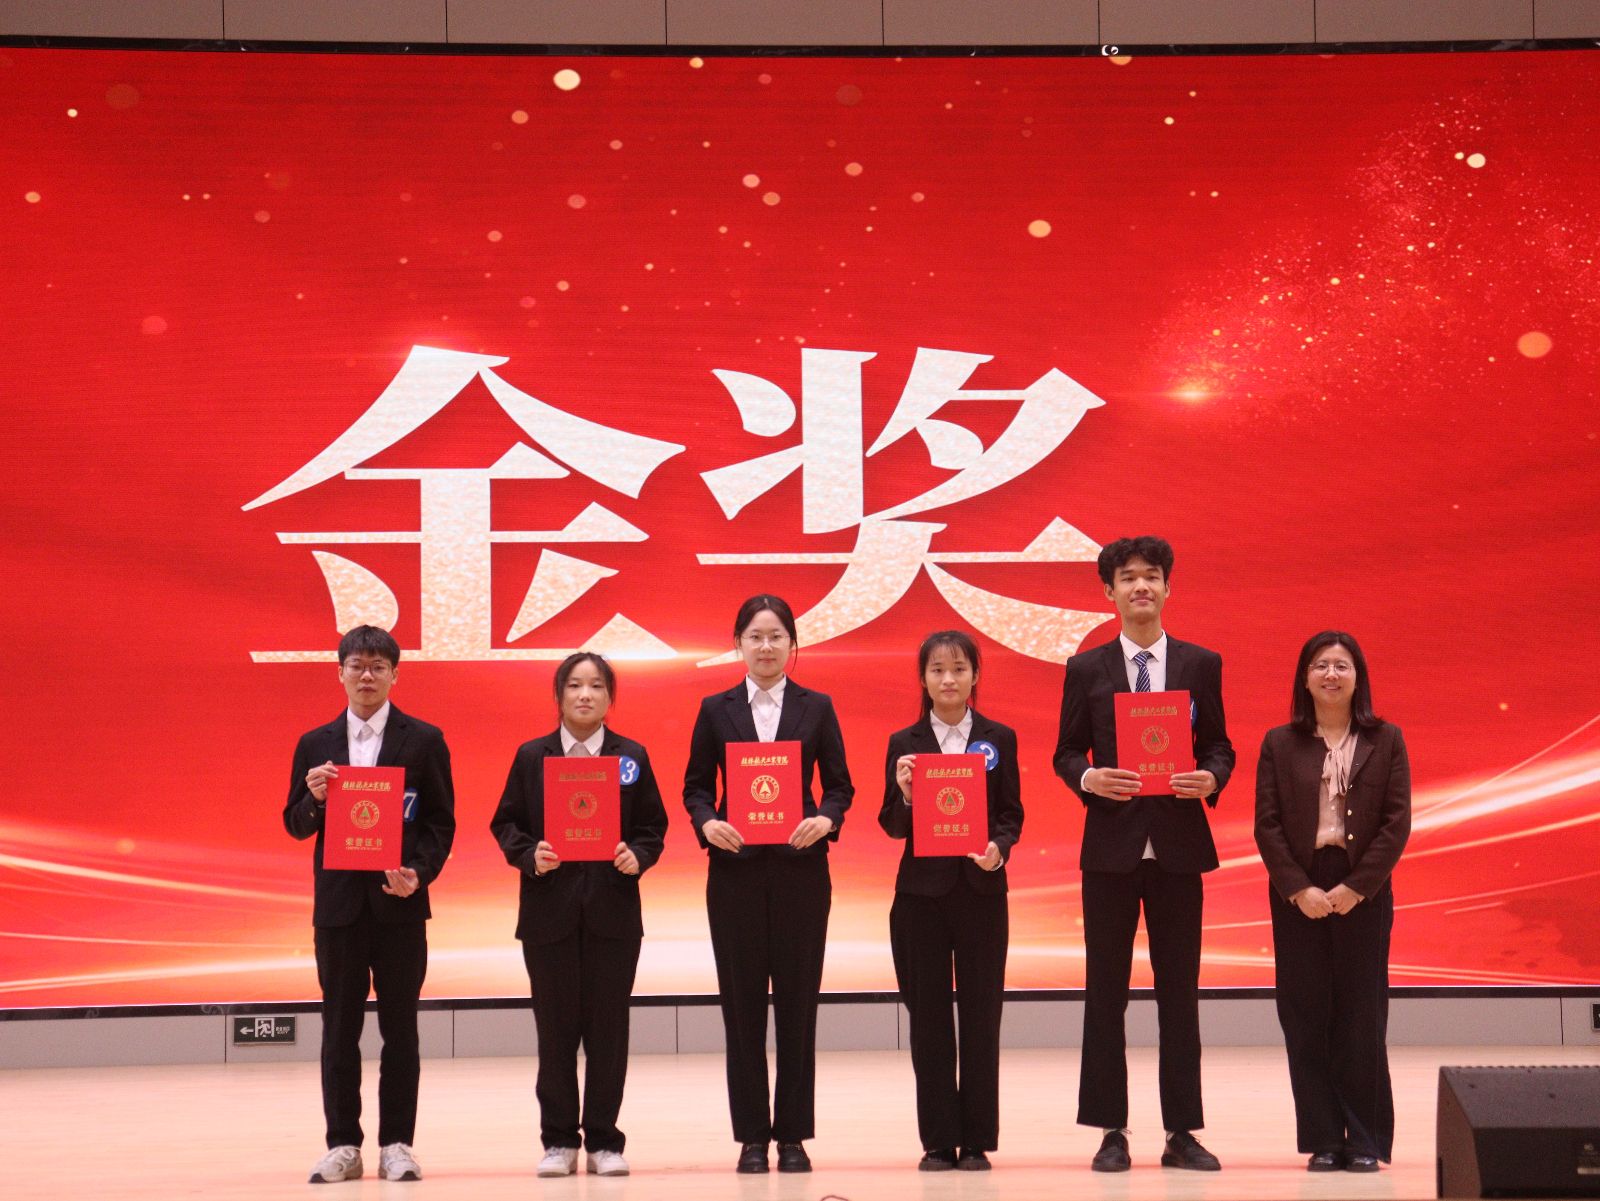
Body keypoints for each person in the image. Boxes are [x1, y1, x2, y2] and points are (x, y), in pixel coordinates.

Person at [1052, 536, 1234, 1173]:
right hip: (1111, 850)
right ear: (1109, 592)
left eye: (1151, 576)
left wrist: (1212, 777)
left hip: (1179, 849)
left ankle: (1182, 1130)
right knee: (1106, 993)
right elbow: (1065, 751)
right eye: (1127, 578)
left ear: (1167, 587)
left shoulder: (1199, 664)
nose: (1140, 587)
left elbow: (1219, 745)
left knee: (1179, 994)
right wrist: (1087, 778)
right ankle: (1111, 1130)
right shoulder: (1087, 668)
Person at [682, 594, 854, 1174]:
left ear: (792, 644)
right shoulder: (716, 708)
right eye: (754, 636)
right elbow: (696, 786)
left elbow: (839, 785)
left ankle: (794, 1137)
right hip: (735, 874)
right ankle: (753, 1137)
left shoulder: (817, 707)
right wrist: (707, 822)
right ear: (738, 645)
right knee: (743, 1009)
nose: (765, 646)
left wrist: (826, 819)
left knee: (799, 1006)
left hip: (801, 872)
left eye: (776, 635)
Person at [283, 624, 456, 1184]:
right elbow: (294, 824)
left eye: (378, 666)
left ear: (394, 675)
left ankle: (397, 1144)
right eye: (356, 665)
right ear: (339, 673)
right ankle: (342, 1145)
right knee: (339, 1030)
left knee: (401, 1030)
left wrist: (419, 874)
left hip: (398, 905)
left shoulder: (423, 739)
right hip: (338, 911)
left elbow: (440, 824)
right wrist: (313, 799)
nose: (366, 676)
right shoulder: (315, 744)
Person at [490, 652, 669, 1179]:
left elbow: (653, 827)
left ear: (610, 697)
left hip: (613, 914)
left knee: (609, 1031)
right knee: (555, 1032)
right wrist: (530, 855)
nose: (585, 694)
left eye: (595, 686)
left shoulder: (631, 756)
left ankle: (605, 1142)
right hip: (549, 914)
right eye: (574, 685)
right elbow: (506, 823)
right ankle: (559, 1140)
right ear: (559, 695)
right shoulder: (533, 756)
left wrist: (639, 855)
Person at [1254, 631, 1410, 1173]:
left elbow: (1395, 824)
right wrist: (1298, 889)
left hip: (1363, 888)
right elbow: (1267, 825)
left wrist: (1357, 887)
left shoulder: (1386, 739)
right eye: (1321, 665)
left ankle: (1365, 1139)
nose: (1331, 675)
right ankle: (1323, 1137)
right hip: (1299, 889)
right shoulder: (1280, 743)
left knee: (1361, 1015)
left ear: (1358, 677)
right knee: (1305, 1014)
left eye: (1342, 666)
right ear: (1305, 678)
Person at [879, 630, 1023, 1172]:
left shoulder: (998, 738)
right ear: (923, 678)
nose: (948, 679)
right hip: (921, 898)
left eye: (959, 669)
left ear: (975, 676)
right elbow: (892, 825)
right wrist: (906, 795)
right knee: (929, 1020)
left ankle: (978, 1139)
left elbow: (1011, 814)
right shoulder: (905, 742)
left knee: (982, 1017)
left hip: (982, 893)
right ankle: (938, 1139)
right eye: (937, 670)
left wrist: (999, 849)